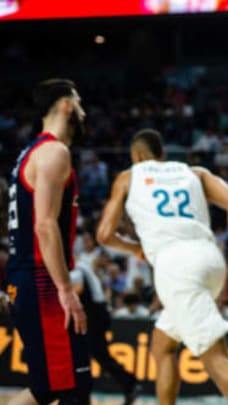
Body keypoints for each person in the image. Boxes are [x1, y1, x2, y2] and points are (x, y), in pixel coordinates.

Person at [95, 129, 228, 405]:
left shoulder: (128, 177)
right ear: (162, 154)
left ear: (135, 156)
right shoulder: (193, 172)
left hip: (176, 266)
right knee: (162, 345)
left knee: (216, 360)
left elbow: (104, 234)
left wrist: (135, 249)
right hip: (210, 257)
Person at [5, 79, 90, 405]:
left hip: (26, 279)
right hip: (42, 283)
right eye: (79, 103)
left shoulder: (29, 153)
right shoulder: (54, 151)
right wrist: (66, 291)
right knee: (73, 389)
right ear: (66, 105)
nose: (83, 112)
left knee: (46, 388)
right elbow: (44, 225)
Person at [69, 260, 141, 404]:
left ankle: (130, 384)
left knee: (96, 355)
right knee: (92, 355)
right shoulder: (81, 266)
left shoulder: (77, 270)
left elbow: (75, 288)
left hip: (94, 316)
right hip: (95, 314)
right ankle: (129, 384)